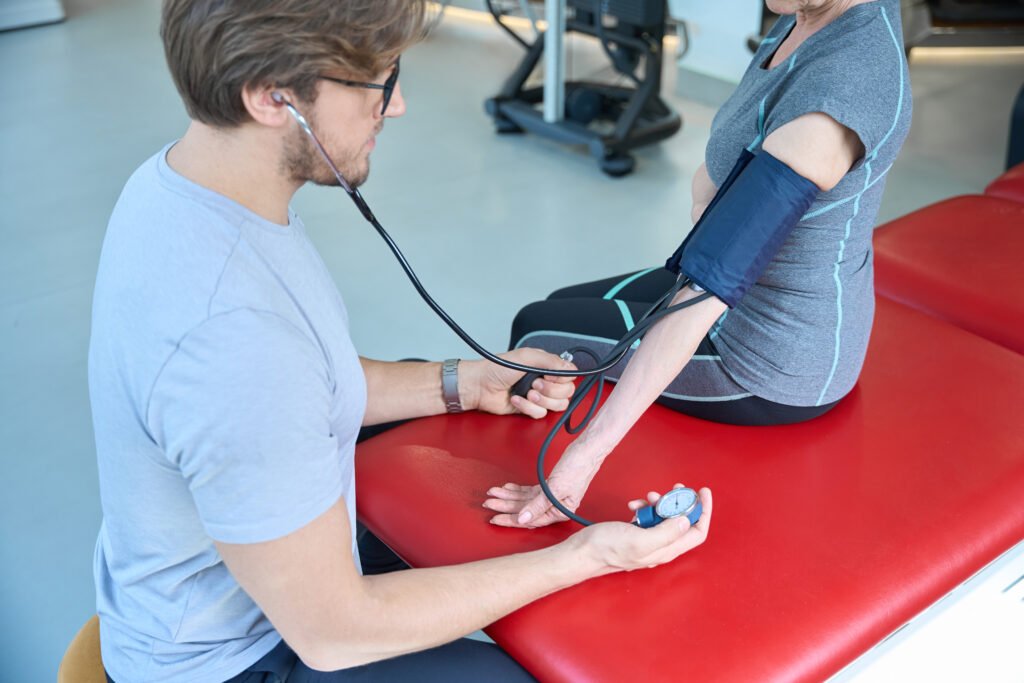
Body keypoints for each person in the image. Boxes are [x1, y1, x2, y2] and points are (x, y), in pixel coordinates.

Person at [88, 1, 713, 681]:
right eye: (378, 83)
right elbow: (336, 632)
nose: (401, 104)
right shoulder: (233, 339)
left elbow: (308, 378)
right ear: (273, 99)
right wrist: (585, 557)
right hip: (242, 659)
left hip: (261, 597)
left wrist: (463, 380)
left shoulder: (187, 186)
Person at [485, 0, 912, 529]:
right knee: (552, 311)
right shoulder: (802, 14)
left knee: (537, 332)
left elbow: (710, 282)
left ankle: (518, 501)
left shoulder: (845, 86)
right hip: (737, 283)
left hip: (768, 356)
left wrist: (582, 461)